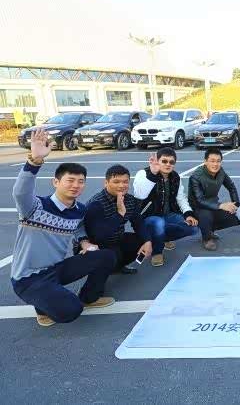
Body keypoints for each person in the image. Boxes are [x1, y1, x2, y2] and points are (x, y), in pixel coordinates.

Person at [10, 128, 116, 327]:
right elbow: (20, 192)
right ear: (56, 182)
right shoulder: (34, 207)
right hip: (29, 278)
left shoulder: (79, 210)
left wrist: (84, 242)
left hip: (57, 269)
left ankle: (89, 297)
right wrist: (34, 161)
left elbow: (78, 226)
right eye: (70, 180)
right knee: (71, 311)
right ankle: (42, 304)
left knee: (107, 256)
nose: (76, 185)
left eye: (80, 181)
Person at [133, 147, 198, 267]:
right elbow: (140, 195)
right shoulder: (144, 173)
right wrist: (153, 174)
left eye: (171, 162)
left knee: (193, 228)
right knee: (159, 223)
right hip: (148, 217)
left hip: (168, 215)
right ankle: (157, 251)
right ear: (157, 161)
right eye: (164, 161)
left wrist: (188, 213)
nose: (168, 164)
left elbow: (181, 198)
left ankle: (162, 237)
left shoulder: (175, 177)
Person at [84, 165, 153, 275]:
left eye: (125, 182)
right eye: (116, 182)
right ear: (106, 183)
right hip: (96, 245)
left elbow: (138, 223)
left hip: (117, 238)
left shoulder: (129, 200)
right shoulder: (96, 204)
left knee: (142, 240)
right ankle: (101, 273)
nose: (121, 185)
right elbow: (98, 236)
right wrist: (120, 214)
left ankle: (118, 266)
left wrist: (147, 241)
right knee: (113, 255)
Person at [189, 147, 240, 250]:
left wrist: (236, 205)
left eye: (218, 161)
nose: (215, 164)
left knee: (237, 217)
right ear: (205, 161)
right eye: (212, 161)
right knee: (206, 215)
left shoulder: (221, 171)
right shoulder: (196, 176)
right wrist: (221, 206)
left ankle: (209, 230)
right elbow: (199, 200)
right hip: (198, 207)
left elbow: (231, 187)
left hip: (214, 204)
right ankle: (207, 238)